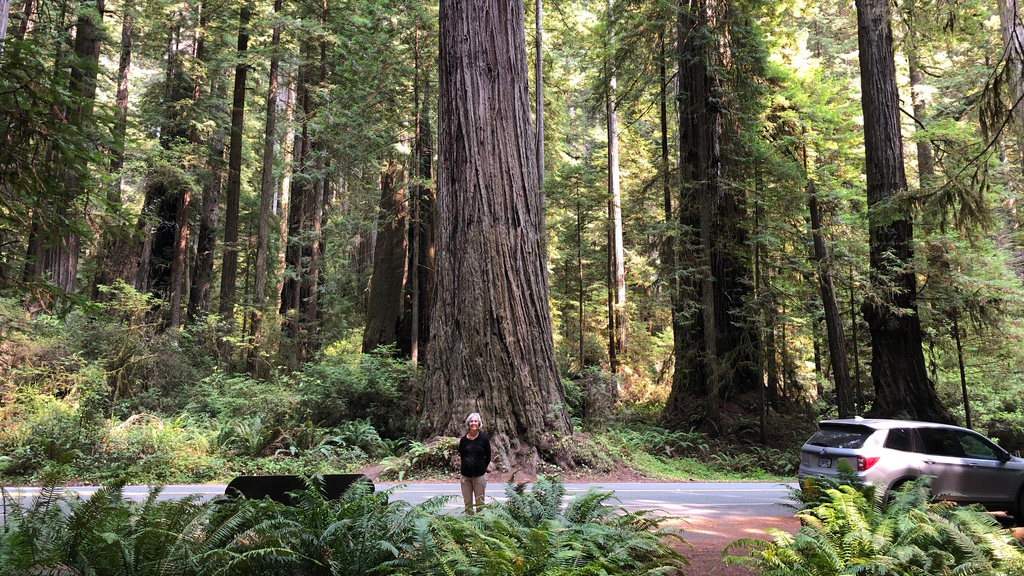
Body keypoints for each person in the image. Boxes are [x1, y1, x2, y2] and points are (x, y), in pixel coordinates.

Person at [457, 412, 491, 514]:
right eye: (471, 421)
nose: (473, 423)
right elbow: (462, 455)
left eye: (476, 421)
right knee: (468, 504)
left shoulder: (484, 439)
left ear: (479, 423)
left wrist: (482, 469)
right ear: (468, 424)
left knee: (480, 503)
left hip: (479, 477)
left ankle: (480, 526)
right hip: (465, 477)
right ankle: (470, 527)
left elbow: (488, 456)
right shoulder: (463, 440)